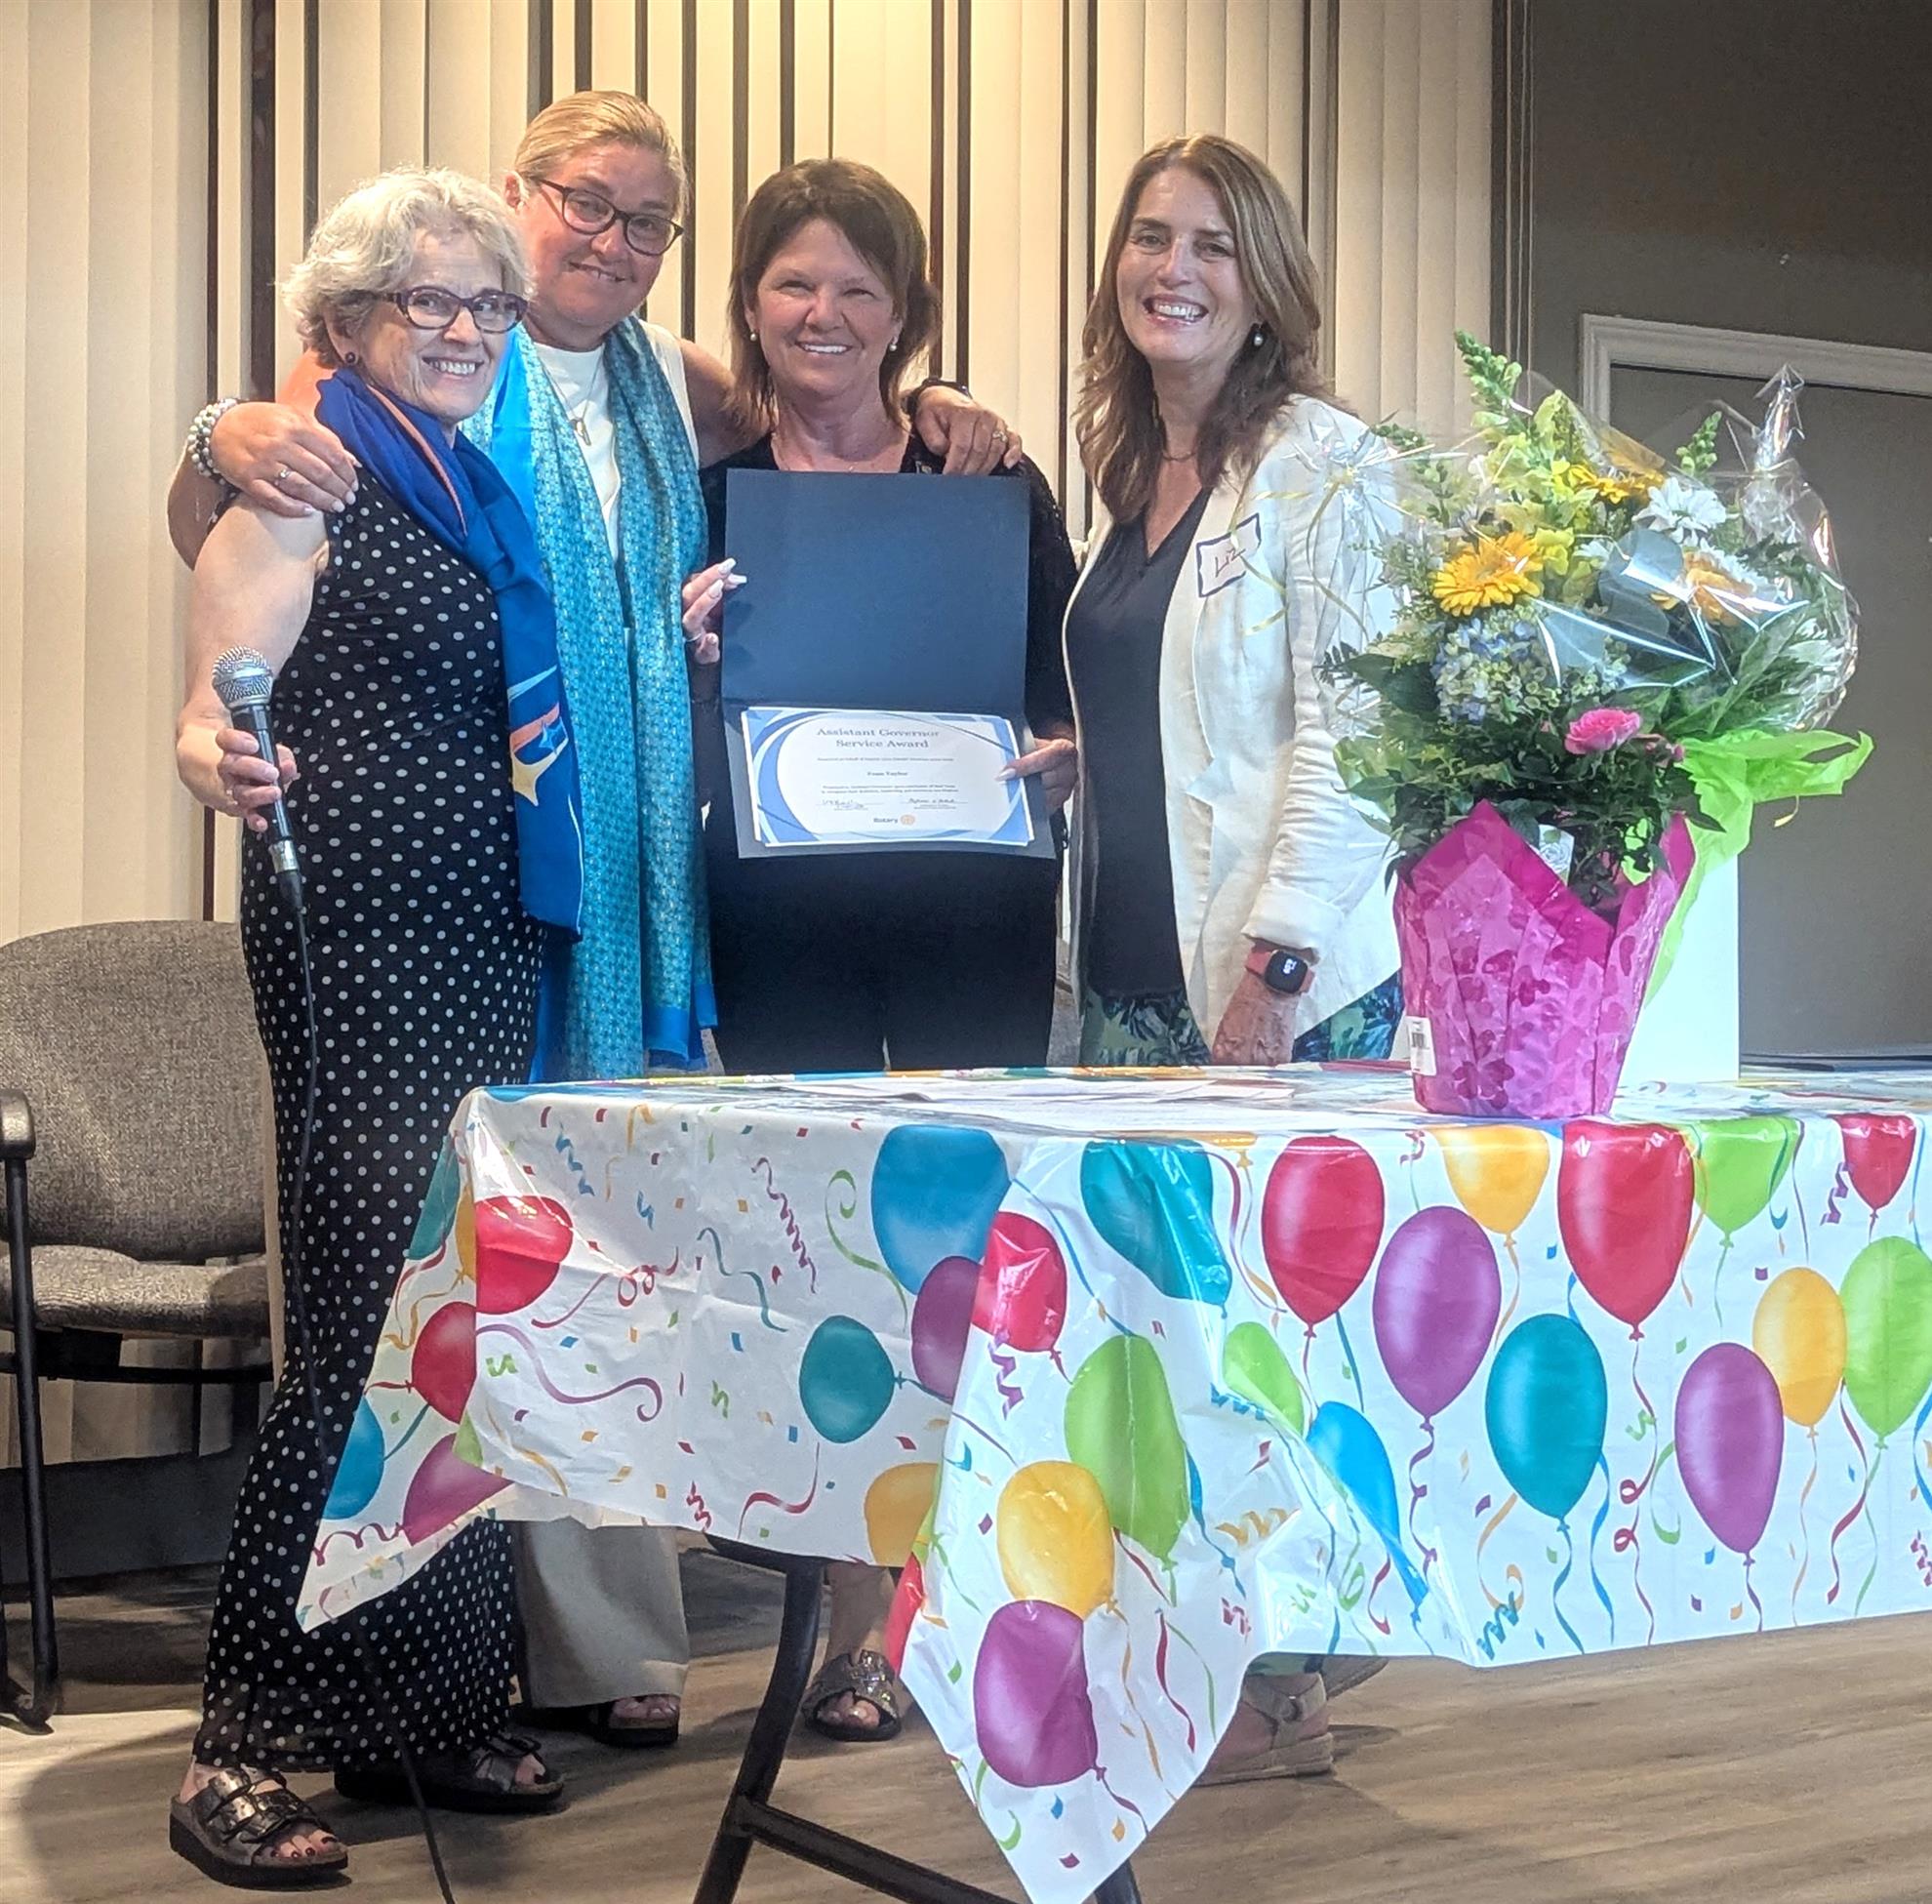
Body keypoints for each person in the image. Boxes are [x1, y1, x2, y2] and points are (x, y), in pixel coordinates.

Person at [165, 92, 1023, 1755]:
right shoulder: (358, 405)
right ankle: (335, 1699)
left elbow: (817, 381)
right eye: (584, 204)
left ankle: (519, 1670)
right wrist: (217, 438)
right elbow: (236, 565)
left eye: (650, 222)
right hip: (408, 915)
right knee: (408, 1296)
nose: (614, 244)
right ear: (514, 200)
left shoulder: (661, 382)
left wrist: (936, 406)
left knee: (562, 1266)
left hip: (593, 889)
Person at [169, 167, 566, 1887]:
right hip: (363, 949)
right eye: (430, 299)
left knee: (464, 1320)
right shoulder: (309, 465)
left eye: (489, 302)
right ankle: (240, 1741)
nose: (468, 328)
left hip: (478, 946)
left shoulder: (474, 486)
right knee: (359, 1324)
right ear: (344, 320)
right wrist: (215, 751)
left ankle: (426, 1703)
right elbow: (216, 702)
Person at [681, 158, 1077, 1737]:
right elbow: (658, 723)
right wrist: (686, 656)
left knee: (969, 1253)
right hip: (783, 924)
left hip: (974, 915)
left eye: (860, 286)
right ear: (750, 306)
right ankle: (849, 1628)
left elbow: (1069, 693)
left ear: (908, 313)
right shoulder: (707, 496)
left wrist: (1063, 752)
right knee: (822, 1262)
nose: (825, 313)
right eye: (794, 282)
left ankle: (963, 1601)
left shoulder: (990, 481)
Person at [1065, 134, 1400, 1777]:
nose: (1172, 270)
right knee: (1159, 1347)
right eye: (1150, 238)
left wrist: (1274, 977)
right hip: (1133, 977)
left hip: (1273, 990)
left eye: (1210, 244)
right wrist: (1078, 757)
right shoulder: (1137, 467)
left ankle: (1291, 1682)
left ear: (1266, 284)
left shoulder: (1326, 466)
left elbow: (1355, 741)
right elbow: (1191, 718)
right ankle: (1192, 1662)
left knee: (1267, 1348)